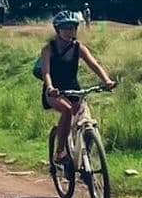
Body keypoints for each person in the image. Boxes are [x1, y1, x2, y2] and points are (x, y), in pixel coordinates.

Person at [40, 11, 115, 164]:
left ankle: (83, 155)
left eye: (73, 28)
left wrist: (107, 80)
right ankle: (60, 152)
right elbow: (46, 72)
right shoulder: (48, 49)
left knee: (86, 121)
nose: (70, 31)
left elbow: (94, 65)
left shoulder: (78, 47)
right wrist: (50, 88)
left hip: (74, 89)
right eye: (66, 28)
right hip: (54, 91)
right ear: (57, 29)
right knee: (67, 111)